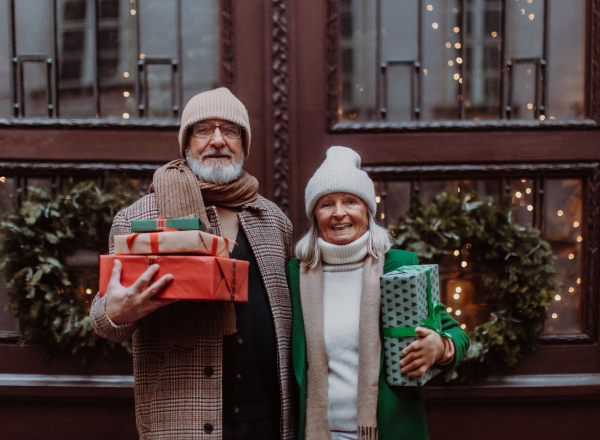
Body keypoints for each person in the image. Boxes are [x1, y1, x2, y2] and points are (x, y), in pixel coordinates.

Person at [91, 88, 294, 440]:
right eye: (204, 130)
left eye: (229, 130)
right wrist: (118, 312)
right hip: (183, 423)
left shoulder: (273, 220)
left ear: (244, 145)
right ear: (186, 142)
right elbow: (105, 324)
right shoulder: (138, 217)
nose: (217, 140)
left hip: (270, 420)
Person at [286, 146, 470, 440]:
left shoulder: (398, 267)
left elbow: (458, 337)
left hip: (388, 429)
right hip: (319, 433)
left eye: (350, 201)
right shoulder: (295, 275)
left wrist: (439, 347)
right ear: (314, 216)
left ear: (368, 211)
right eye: (326, 204)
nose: (339, 213)